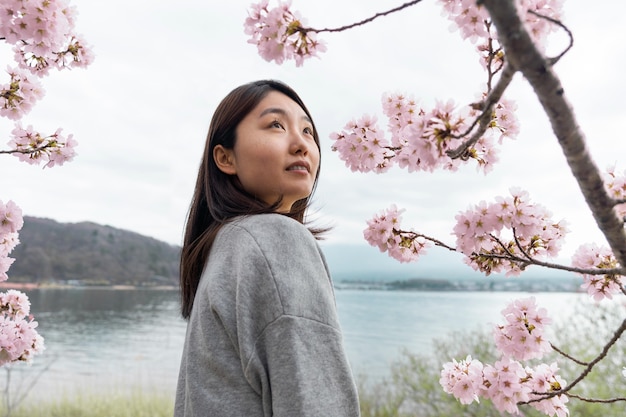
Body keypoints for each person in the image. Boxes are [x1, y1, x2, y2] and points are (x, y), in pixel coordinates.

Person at [174, 80, 360, 416]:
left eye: (308, 132)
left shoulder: (226, 246)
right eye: (276, 125)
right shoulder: (275, 238)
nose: (302, 144)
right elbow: (314, 403)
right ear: (225, 157)